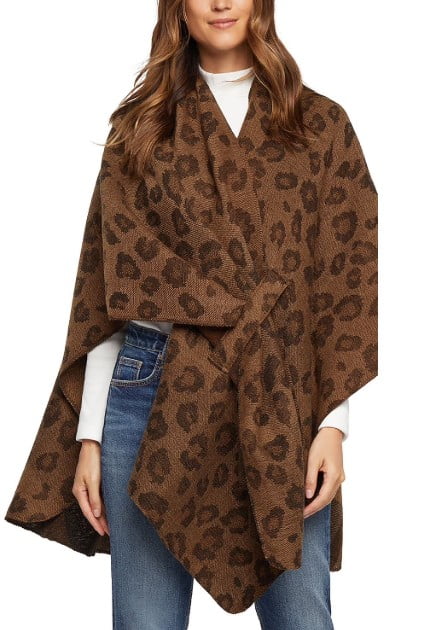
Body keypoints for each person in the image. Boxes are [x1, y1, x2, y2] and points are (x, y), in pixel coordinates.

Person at [5, 0, 378, 628]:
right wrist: (89, 438)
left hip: (277, 393)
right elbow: (105, 291)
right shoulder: (142, 128)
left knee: (303, 617)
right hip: (149, 392)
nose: (221, 3)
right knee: (146, 621)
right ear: (177, 7)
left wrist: (333, 425)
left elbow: (345, 283)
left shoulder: (318, 124)